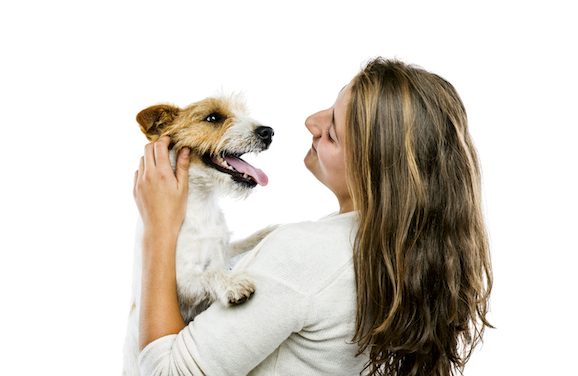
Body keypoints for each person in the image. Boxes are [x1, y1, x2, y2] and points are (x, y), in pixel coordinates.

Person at [133, 57, 493, 376]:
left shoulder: (305, 255)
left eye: (332, 131)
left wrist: (159, 228)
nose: (310, 122)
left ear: (375, 166)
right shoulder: (388, 253)